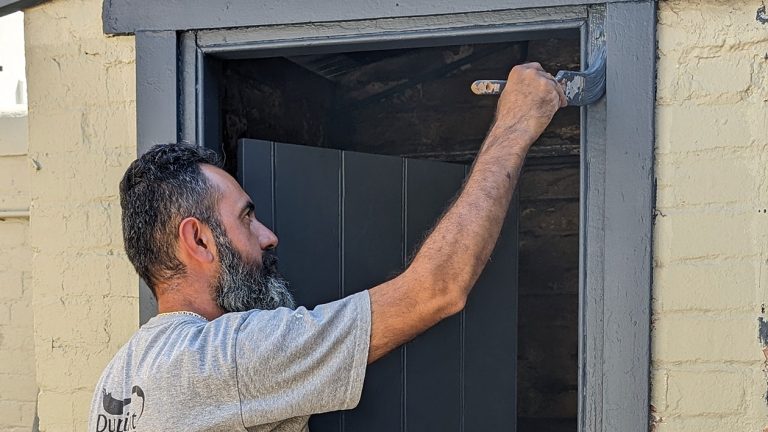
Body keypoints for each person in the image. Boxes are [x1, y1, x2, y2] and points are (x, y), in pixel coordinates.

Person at [87, 62, 566, 432]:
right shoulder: (226, 357)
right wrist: (516, 125)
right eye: (246, 218)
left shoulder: (120, 375)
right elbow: (437, 290)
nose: (268, 236)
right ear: (198, 239)